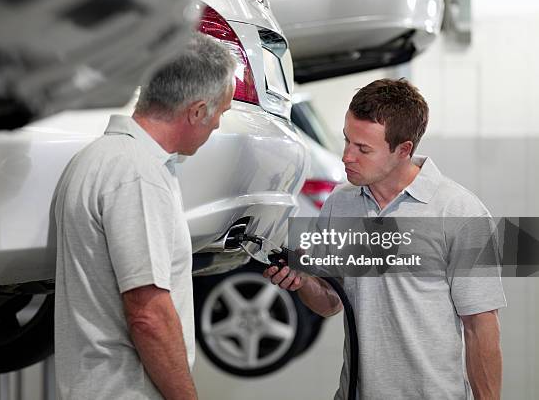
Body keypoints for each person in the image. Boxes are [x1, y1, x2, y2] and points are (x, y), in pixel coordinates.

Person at [265, 78, 506, 399]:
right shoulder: (341, 204)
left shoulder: (461, 212)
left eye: (363, 148)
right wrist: (303, 281)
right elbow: (330, 303)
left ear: (403, 149)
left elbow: (481, 328)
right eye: (347, 141)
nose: (346, 156)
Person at [53, 32, 236, 400]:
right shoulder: (136, 174)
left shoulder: (102, 158)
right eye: (221, 112)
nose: (218, 124)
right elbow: (148, 314)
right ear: (197, 110)